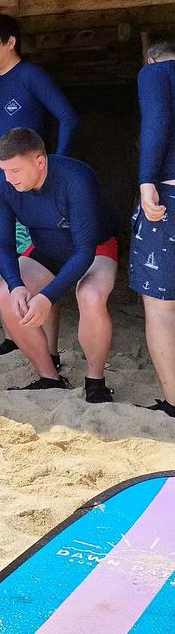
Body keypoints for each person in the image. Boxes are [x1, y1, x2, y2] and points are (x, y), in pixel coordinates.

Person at [0, 13, 78, 361]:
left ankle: (48, 348)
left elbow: (67, 116)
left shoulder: (31, 75)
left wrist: (56, 164)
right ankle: (11, 334)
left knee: (34, 264)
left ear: (10, 41)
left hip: (25, 188)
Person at [0, 128, 118, 399]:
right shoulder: (3, 187)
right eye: (3, 170)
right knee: (5, 296)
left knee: (91, 296)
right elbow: (2, 246)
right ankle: (49, 376)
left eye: (14, 170)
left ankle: (95, 381)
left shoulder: (76, 178)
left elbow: (83, 251)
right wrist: (15, 286)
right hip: (46, 249)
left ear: (39, 161)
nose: (8, 178)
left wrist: (47, 297)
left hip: (95, 248)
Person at [131, 38, 175, 417]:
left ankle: (174, 403)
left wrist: (147, 179)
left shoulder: (156, 73)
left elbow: (158, 119)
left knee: (161, 305)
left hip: (171, 196)